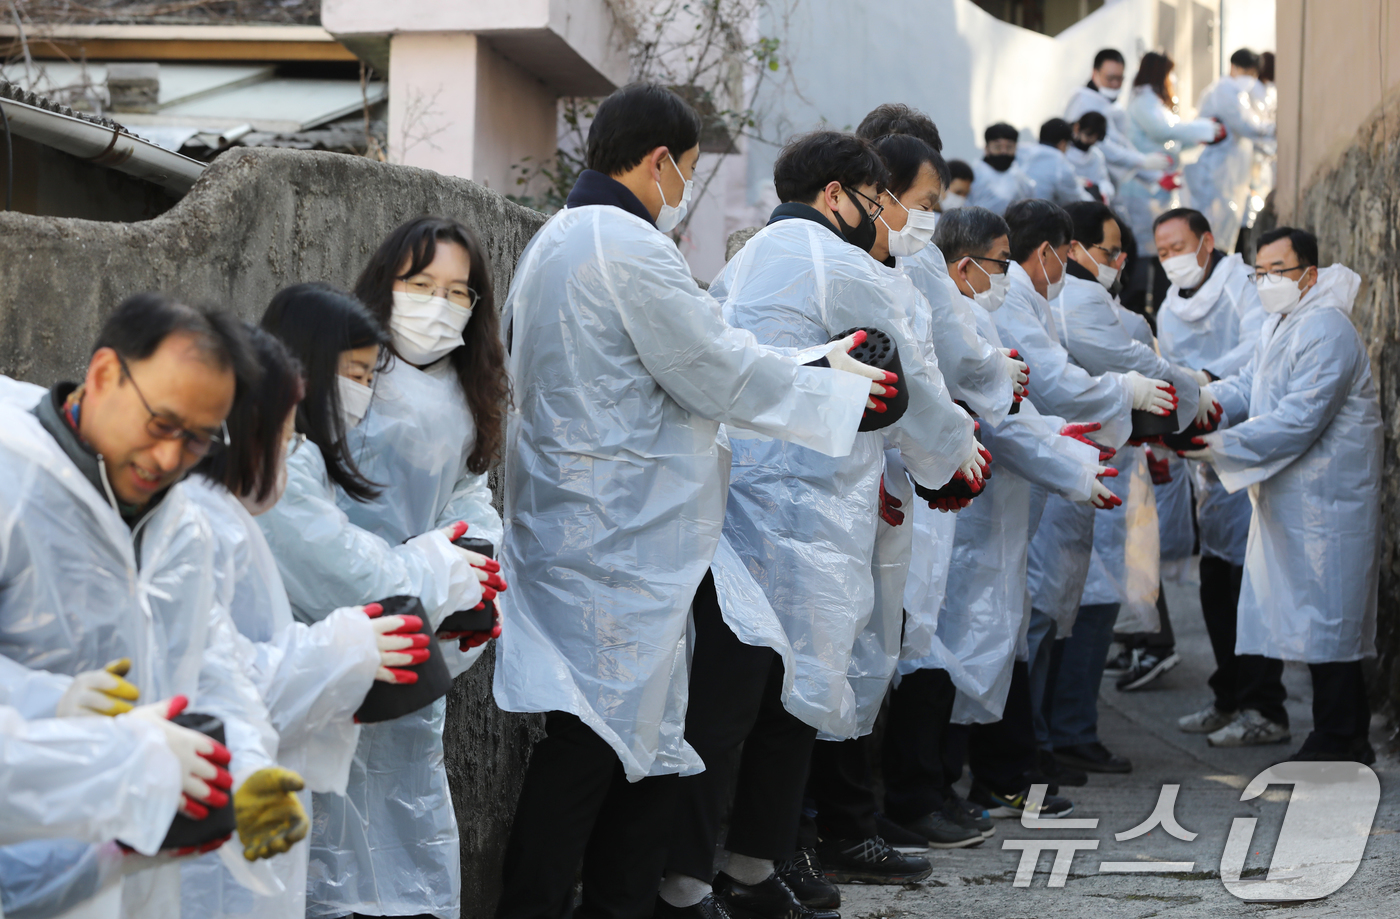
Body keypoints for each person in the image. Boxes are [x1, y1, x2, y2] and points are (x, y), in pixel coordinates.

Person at [491, 83, 885, 919]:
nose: (684, 192)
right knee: (598, 746)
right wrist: (834, 384)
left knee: (633, 742)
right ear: (662, 159)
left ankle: (619, 902)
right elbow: (716, 367)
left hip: (586, 523)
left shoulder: (556, 238)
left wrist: (819, 366)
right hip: (621, 535)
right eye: (688, 172)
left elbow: (707, 351)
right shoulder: (627, 246)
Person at [662, 128, 980, 918]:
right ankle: (713, 877)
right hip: (802, 510)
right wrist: (956, 461)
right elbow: (910, 378)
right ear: (836, 195)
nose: (885, 223)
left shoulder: (740, 264)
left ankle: (726, 871)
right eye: (878, 204)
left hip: (735, 505)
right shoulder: (838, 263)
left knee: (748, 699)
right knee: (775, 703)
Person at [0, 294, 308, 917]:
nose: (171, 458)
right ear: (105, 374)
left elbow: (211, 668)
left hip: (128, 872)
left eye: (198, 440)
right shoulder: (14, 485)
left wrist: (245, 765)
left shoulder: (183, 527)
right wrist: (49, 703)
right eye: (162, 425)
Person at [257, 274, 496, 919]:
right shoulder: (277, 464)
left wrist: (460, 586)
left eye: (370, 378)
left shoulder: (306, 453)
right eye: (353, 374)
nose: (361, 393)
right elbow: (357, 578)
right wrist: (442, 566)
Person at [180, 324, 423, 919]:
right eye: (284, 437)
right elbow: (227, 680)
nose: (291, 454)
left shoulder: (221, 518)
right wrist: (350, 646)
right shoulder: (202, 529)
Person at [902, 205, 1113, 828]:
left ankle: (967, 785)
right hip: (960, 521)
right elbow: (999, 423)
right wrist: (1073, 467)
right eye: (1000, 262)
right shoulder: (954, 322)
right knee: (944, 654)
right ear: (965, 266)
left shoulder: (969, 315)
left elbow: (1013, 415)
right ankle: (936, 791)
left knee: (981, 648)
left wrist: (1060, 441)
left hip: (984, 520)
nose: (1009, 273)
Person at [1180, 227, 1380, 763]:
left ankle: (1340, 738)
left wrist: (1217, 445)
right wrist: (1201, 403)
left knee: (1330, 621)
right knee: (1313, 619)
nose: (1266, 282)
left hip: (1329, 502)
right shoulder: (1282, 323)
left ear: (1309, 274)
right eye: (1258, 273)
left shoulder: (1327, 329)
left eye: (1278, 271)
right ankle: (1341, 734)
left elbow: (1299, 418)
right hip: (1296, 499)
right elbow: (1250, 384)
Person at [1040, 201, 1206, 776]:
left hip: (1093, 467)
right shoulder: (1075, 299)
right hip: (1081, 467)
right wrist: (1190, 391)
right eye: (1109, 251)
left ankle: (1060, 730)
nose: (1116, 262)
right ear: (1074, 248)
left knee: (1083, 600)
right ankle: (1064, 731)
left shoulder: (1080, 297)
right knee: (1083, 601)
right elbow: (1125, 358)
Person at [1145, 207, 1283, 746]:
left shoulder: (1242, 285)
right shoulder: (1171, 309)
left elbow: (1255, 353)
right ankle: (1229, 696)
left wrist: (1205, 381)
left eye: (1179, 245)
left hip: (1249, 442)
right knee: (1215, 583)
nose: (1171, 258)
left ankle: (1264, 706)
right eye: (1161, 251)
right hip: (1204, 452)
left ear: (1207, 242)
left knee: (1250, 586)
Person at [1120, 51, 1226, 307]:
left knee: (1159, 255)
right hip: (1142, 190)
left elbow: (1171, 141)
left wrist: (1198, 137)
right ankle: (1144, 308)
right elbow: (1164, 130)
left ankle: (1159, 307)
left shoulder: (1153, 103)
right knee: (1147, 256)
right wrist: (1205, 129)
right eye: (1169, 74)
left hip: (1158, 190)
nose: (1173, 80)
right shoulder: (1145, 100)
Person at [1185, 48, 1276, 254]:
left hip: (1228, 171)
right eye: (1246, 72)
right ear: (1233, 67)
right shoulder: (1225, 89)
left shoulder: (1235, 91)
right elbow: (1246, 125)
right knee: (1217, 225)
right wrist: (1273, 128)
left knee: (1228, 221)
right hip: (1216, 170)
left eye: (1252, 74)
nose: (1249, 78)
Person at [1064, 49, 1171, 196]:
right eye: (1110, 78)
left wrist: (1153, 174)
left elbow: (1119, 144)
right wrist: (1142, 161)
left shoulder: (1111, 105)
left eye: (1120, 79)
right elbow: (1106, 146)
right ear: (1095, 73)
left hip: (1107, 181)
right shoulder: (1082, 100)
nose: (1115, 84)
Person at [967, 123, 1036, 215]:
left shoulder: (1021, 178)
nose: (1004, 152)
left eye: (1009, 147)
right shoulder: (974, 175)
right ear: (987, 149)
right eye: (998, 147)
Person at [1021, 118, 1093, 206]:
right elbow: (1080, 201)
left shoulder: (1021, 150)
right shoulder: (1062, 167)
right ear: (1062, 143)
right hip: (1036, 215)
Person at [1065, 112, 1114, 203]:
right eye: (1088, 135)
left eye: (1095, 138)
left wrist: (1099, 190)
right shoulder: (1063, 151)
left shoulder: (1096, 157)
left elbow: (1105, 183)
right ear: (1077, 128)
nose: (1091, 141)